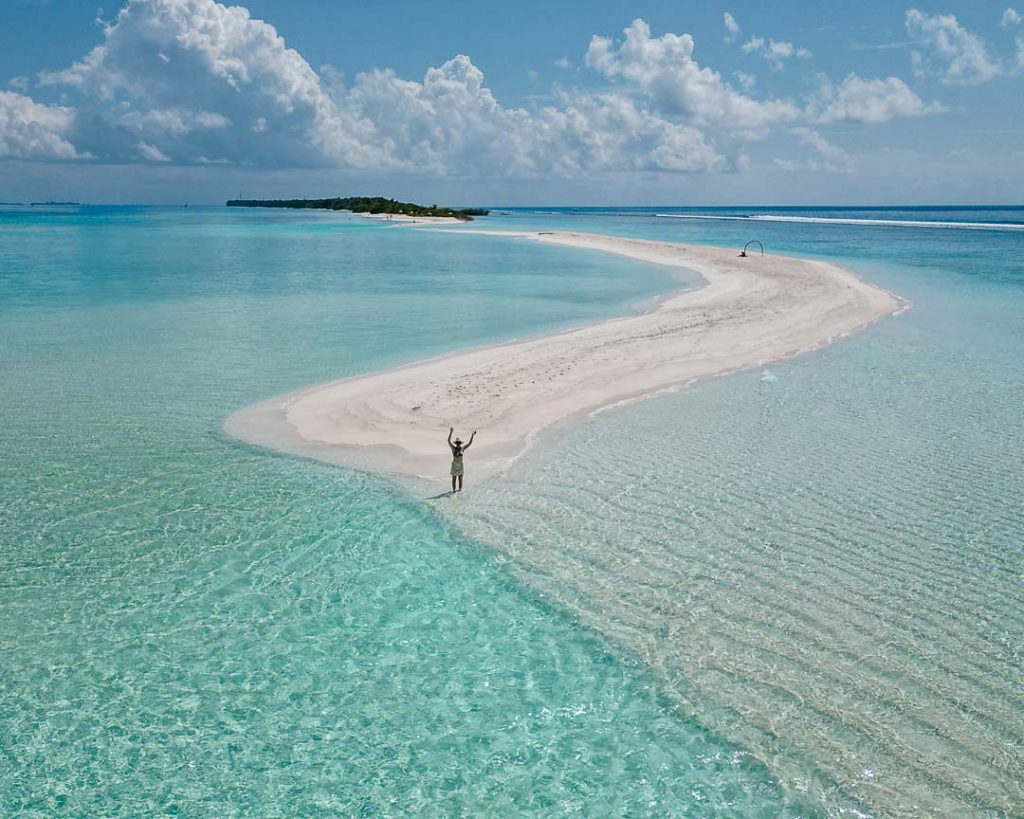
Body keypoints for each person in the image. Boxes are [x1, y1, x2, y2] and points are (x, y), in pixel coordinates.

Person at [448, 426, 476, 492]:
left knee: (460, 479)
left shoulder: (463, 448)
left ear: (460, 443)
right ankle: (454, 491)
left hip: (460, 465)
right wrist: (451, 432)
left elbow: (470, 443)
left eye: (459, 443)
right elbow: (448, 441)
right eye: (457, 443)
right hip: (454, 465)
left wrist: (472, 435)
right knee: (454, 479)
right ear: (455, 444)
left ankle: (460, 491)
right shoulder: (453, 449)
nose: (458, 444)